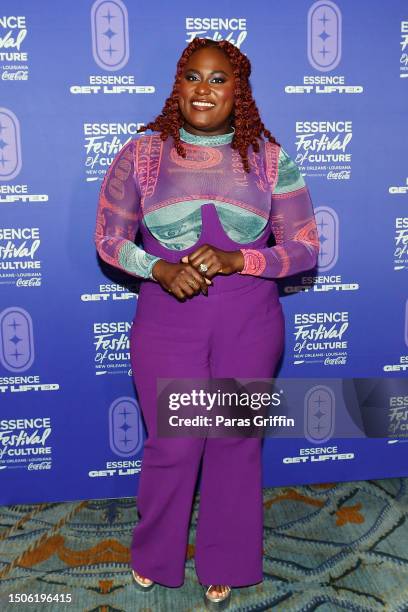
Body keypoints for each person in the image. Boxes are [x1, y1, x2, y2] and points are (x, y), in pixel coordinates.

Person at [94, 37, 319, 609]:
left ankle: (226, 560)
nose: (204, 89)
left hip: (249, 320)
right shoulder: (142, 155)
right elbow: (107, 239)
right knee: (173, 443)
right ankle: (155, 556)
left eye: (219, 80)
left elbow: (306, 248)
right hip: (168, 322)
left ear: (238, 90)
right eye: (193, 77)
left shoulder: (269, 159)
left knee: (234, 443)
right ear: (178, 84)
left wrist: (241, 259)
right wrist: (159, 269)